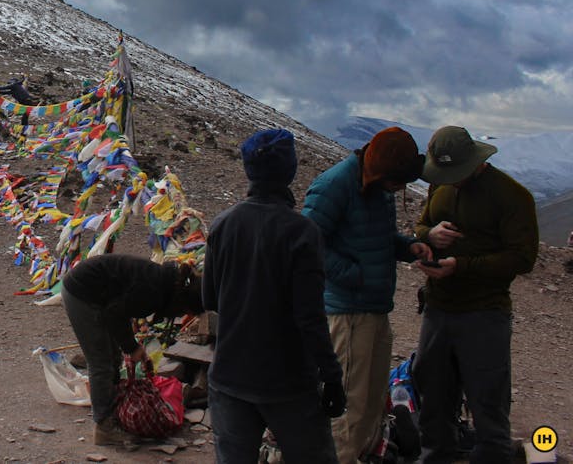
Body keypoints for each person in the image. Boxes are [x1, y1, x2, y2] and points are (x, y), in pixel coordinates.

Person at [202, 128, 346, 464]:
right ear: (290, 171)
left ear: (248, 169)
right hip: (289, 383)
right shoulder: (302, 233)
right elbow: (310, 318)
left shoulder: (223, 224)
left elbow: (210, 300)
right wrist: (332, 377)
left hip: (229, 377)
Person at [303, 127, 432, 463]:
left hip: (374, 311)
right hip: (346, 314)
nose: (401, 188)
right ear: (381, 171)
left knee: (373, 402)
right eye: (398, 180)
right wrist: (354, 276)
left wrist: (409, 248)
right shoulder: (336, 185)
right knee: (347, 407)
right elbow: (307, 244)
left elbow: (377, 238)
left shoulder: (378, 187)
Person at [413, 126, 538, 463]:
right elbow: (421, 226)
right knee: (434, 399)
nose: (451, 179)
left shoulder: (511, 196)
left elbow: (523, 257)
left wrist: (462, 266)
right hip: (438, 309)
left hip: (484, 313)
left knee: (488, 405)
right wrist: (430, 234)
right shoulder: (440, 184)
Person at [61, 253, 204, 447]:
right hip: (82, 294)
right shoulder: (153, 291)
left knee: (113, 359)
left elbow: (121, 310)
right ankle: (104, 427)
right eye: (184, 312)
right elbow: (115, 314)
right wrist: (132, 347)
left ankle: (112, 415)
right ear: (182, 301)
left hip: (99, 296)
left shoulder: (163, 284)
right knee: (101, 363)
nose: (180, 315)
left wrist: (131, 347)